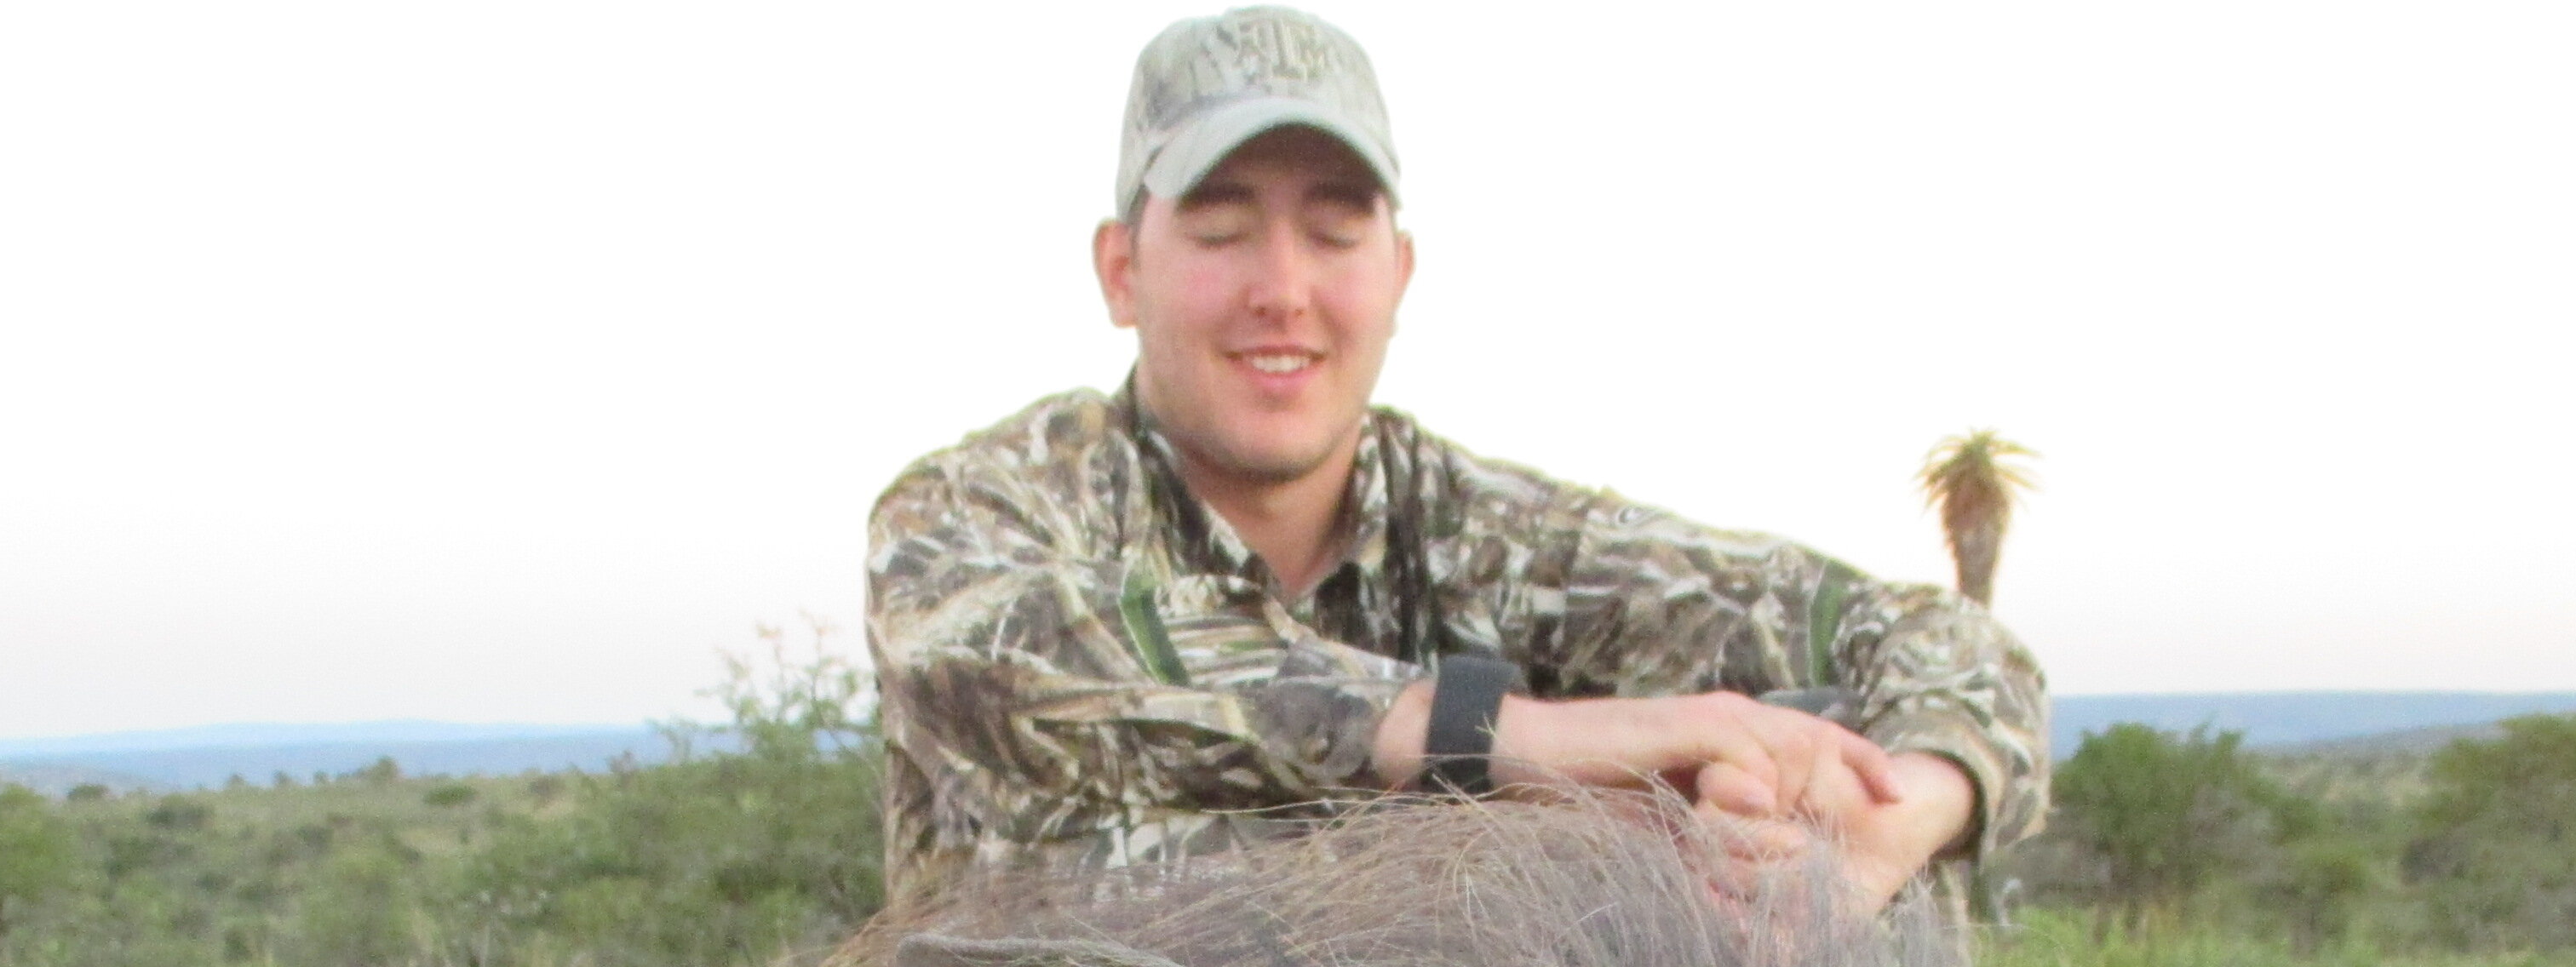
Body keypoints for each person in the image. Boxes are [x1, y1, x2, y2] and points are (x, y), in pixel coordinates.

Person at [865, 8, 2048, 916]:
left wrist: (1898, 819)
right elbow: (1011, 648)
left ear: (1399, 275)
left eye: (1334, 234)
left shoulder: (1496, 534)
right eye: (1222, 231)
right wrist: (1514, 744)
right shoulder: (977, 512)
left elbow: (1936, 642)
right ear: (1122, 271)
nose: (1283, 291)